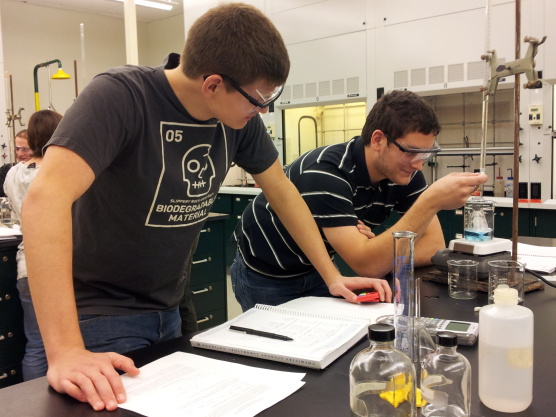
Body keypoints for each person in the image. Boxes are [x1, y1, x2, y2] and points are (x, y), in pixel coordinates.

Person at [21, 3, 390, 411]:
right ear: (212, 84)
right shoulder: (121, 96)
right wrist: (66, 350)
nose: (264, 109)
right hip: (98, 310)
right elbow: (44, 200)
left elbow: (282, 193)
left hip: (169, 304)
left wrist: (332, 276)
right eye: (258, 98)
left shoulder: (238, 121)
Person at [231, 90, 488, 311]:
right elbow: (369, 264)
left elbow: (432, 248)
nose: (419, 164)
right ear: (378, 140)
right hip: (266, 273)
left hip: (319, 269)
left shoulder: (405, 173)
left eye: (427, 152)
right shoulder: (326, 173)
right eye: (412, 151)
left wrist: (377, 245)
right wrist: (430, 201)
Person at [4, 111, 62, 381]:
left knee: (37, 345)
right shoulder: (59, 170)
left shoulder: (13, 174)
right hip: (61, 268)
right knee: (73, 345)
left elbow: (16, 217)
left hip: (27, 267)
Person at [0, 129, 31, 197]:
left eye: (25, 149)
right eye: (17, 149)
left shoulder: (42, 171)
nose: (19, 154)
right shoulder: (5, 170)